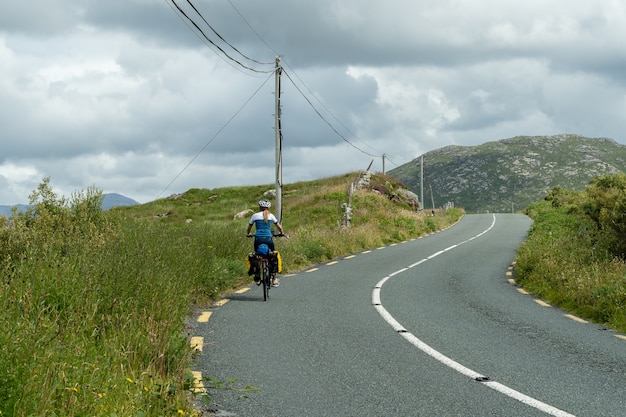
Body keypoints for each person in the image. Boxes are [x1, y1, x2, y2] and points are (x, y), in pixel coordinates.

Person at [246, 199, 284, 287]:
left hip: (258, 238)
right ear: (268, 207)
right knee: (273, 254)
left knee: (257, 255)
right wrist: (282, 233)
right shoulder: (271, 216)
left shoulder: (255, 216)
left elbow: (249, 227)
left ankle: (257, 275)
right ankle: (274, 278)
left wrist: (248, 234)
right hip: (268, 239)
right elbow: (279, 227)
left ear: (260, 207)